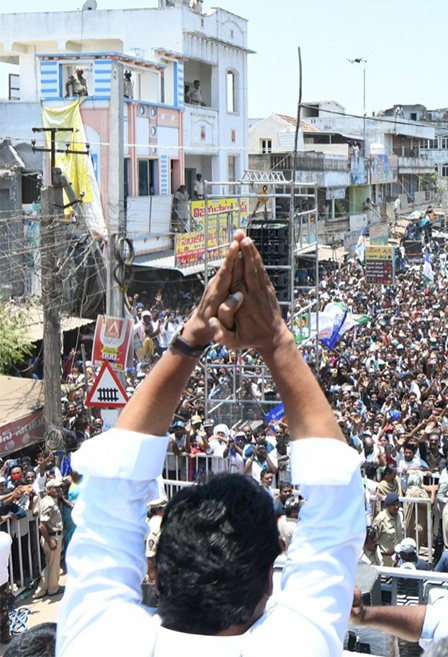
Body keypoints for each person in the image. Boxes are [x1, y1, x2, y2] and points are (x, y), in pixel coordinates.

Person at [57, 231, 366, 655]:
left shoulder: (98, 642)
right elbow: (338, 498)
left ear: (157, 576)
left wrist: (191, 339)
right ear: (269, 585)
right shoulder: (296, 647)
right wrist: (275, 340)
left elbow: (110, 490)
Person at [33, 478, 64, 599]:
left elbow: (35, 512)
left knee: (50, 565)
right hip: (51, 537)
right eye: (55, 488)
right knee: (54, 565)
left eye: (59, 488)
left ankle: (41, 590)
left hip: (51, 537)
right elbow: (42, 525)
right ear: (48, 489)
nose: (58, 490)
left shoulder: (47, 500)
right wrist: (50, 541)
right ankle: (53, 589)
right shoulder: (49, 503)